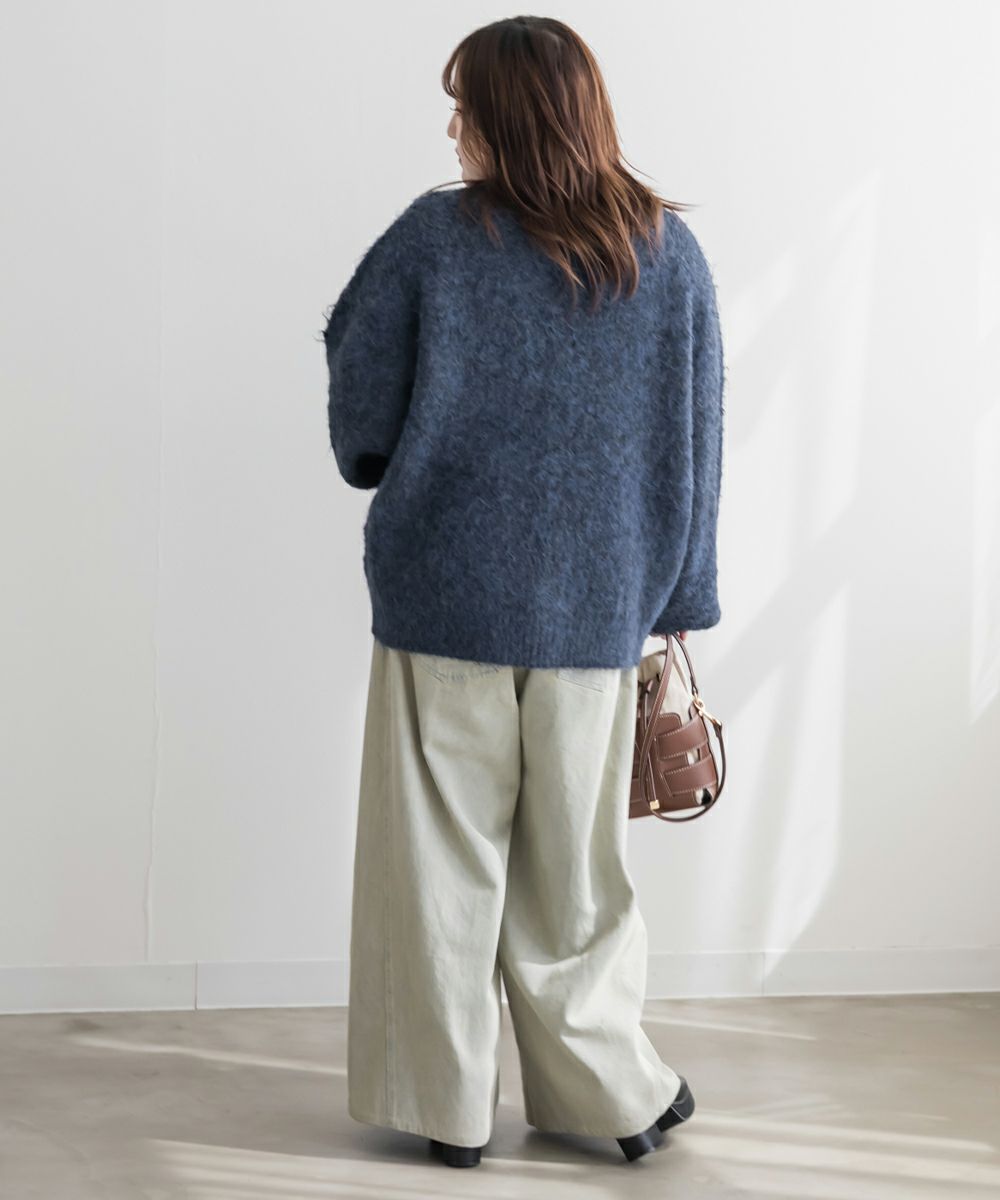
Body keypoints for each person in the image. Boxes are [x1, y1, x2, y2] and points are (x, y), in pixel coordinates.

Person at [321, 15, 724, 1169]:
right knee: (576, 880)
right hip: (596, 618)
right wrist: (678, 601)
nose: (452, 128)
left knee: (434, 875)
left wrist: (379, 458)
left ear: (512, 114)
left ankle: (444, 1111)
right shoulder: (666, 256)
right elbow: (697, 443)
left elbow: (357, 384)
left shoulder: (434, 240)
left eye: (465, 106)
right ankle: (614, 1097)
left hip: (442, 603)